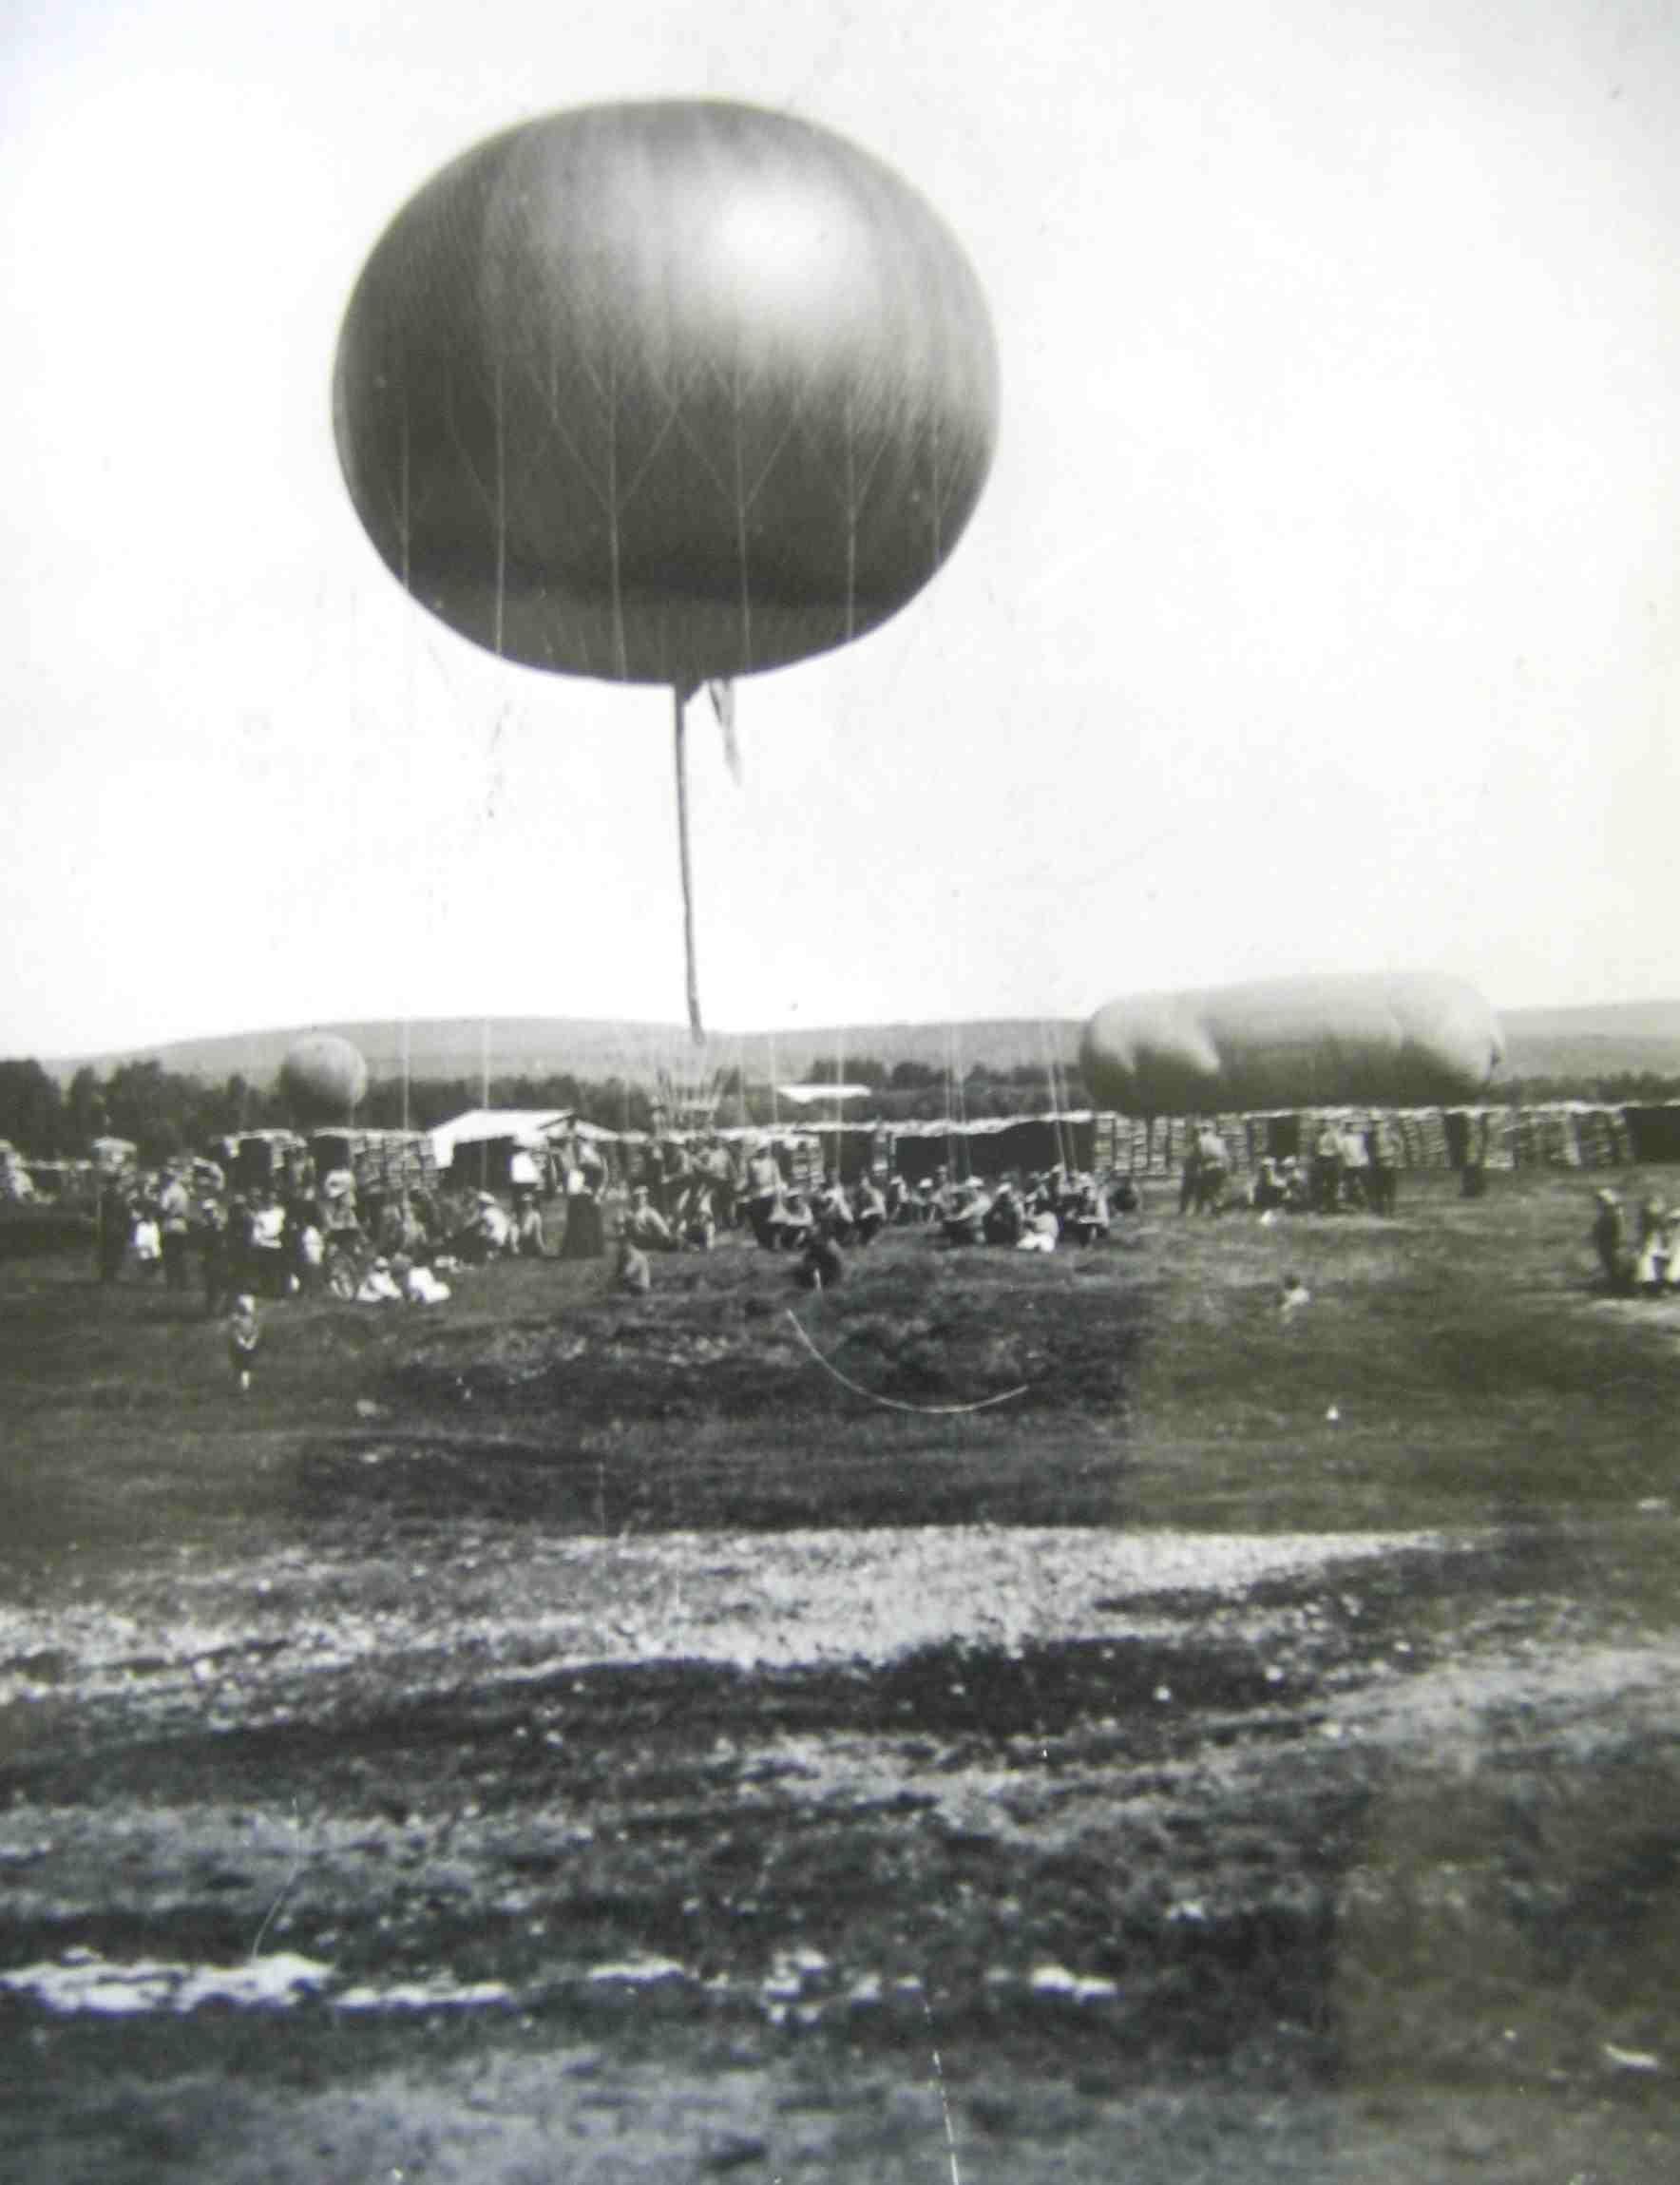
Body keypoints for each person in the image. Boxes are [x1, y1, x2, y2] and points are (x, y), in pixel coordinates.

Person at [1592, 1189, 1632, 1293]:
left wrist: (1619, 1239)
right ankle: (1615, 1284)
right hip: (1604, 1242)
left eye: (1602, 1200)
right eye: (1600, 1200)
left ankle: (1621, 1286)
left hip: (1612, 1242)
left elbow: (1620, 1227)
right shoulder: (1605, 1213)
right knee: (1609, 1263)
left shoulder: (1616, 1212)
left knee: (1615, 1263)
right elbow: (1598, 1227)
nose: (1601, 1203)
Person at [225, 1293, 260, 1393]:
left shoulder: (253, 1319)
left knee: (246, 1367)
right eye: (248, 1305)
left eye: (251, 1305)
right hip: (237, 1348)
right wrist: (241, 1343)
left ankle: (244, 1387)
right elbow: (235, 1333)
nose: (250, 1307)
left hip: (248, 1347)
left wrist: (251, 1342)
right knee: (238, 1367)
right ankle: (239, 1386)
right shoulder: (236, 1319)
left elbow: (256, 1332)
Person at [623, 1184, 676, 1252]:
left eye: (642, 1196)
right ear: (634, 1198)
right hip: (637, 1242)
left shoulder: (650, 1212)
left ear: (646, 1198)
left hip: (650, 1240)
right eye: (638, 1196)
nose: (640, 1199)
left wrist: (666, 1235)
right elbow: (626, 1232)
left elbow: (662, 1229)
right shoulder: (629, 1213)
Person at [1366, 1117, 1400, 1217]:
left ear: (1385, 1124)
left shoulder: (1390, 1134)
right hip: (1377, 1163)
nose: (1377, 1126)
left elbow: (1399, 1145)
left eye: (1380, 1123)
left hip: (1389, 1163)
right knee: (1379, 1188)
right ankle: (1381, 1210)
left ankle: (1391, 1210)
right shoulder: (1371, 1136)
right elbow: (1368, 1149)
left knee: (1390, 1188)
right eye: (1375, 1124)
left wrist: (1394, 1156)